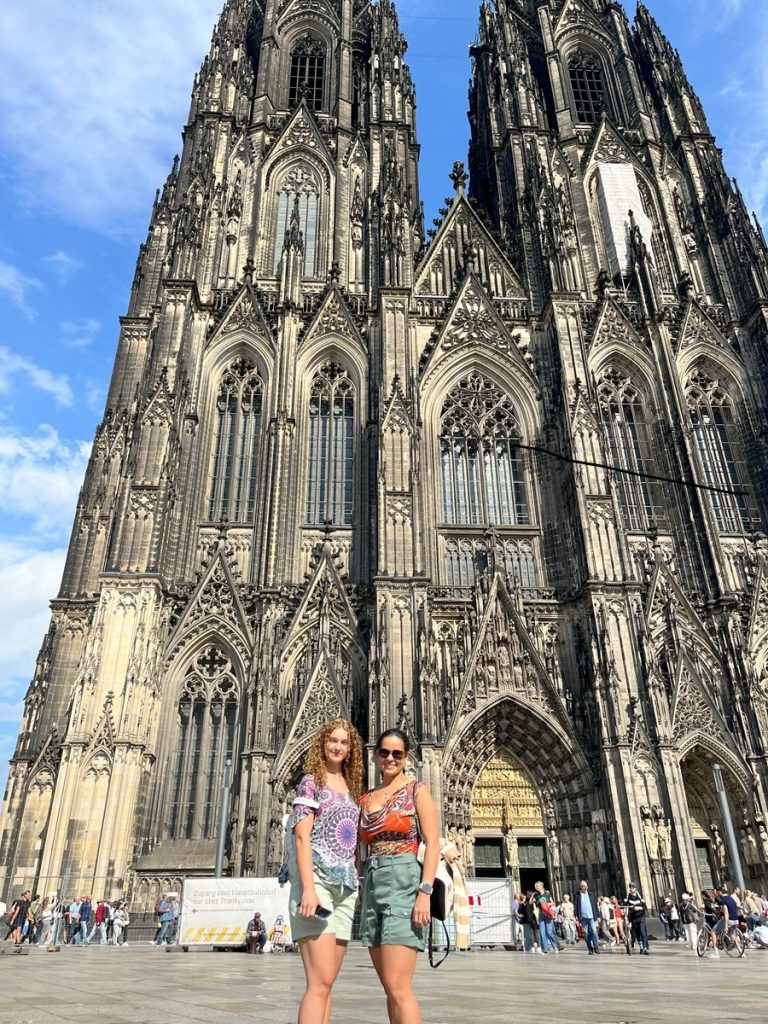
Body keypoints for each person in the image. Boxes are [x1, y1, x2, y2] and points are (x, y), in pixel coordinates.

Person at [359, 728, 439, 1024]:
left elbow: (433, 843)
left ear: (406, 757)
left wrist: (425, 892)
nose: (390, 758)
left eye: (397, 753)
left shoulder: (417, 790)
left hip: (404, 882)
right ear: (376, 755)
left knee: (398, 987)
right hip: (373, 884)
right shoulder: (366, 798)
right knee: (389, 988)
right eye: (384, 752)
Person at [289, 718, 364, 1024]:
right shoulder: (311, 781)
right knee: (318, 983)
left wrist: (356, 878)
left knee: (327, 982)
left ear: (351, 749)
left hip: (345, 889)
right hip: (318, 885)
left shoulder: (352, 786)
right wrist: (308, 889)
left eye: (344, 742)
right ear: (322, 743)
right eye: (332, 740)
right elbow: (301, 835)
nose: (338, 746)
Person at [573, 880, 600, 955]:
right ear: (581, 887)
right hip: (583, 917)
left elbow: (595, 905)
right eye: (583, 886)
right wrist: (576, 916)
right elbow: (576, 906)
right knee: (586, 933)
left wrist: (598, 915)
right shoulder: (578, 895)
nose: (585, 888)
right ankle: (590, 948)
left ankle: (596, 947)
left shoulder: (591, 894)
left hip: (591, 916)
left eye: (586, 886)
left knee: (594, 931)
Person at [532, 881, 559, 955]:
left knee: (549, 932)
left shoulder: (547, 893)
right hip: (541, 915)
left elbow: (553, 903)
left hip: (547, 914)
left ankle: (555, 946)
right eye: (536, 886)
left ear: (541, 886)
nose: (536, 888)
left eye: (538, 886)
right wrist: (532, 896)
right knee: (542, 933)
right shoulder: (537, 896)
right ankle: (544, 950)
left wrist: (546, 904)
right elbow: (531, 902)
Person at [625, 882, 649, 955]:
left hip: (641, 916)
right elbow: (624, 905)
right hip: (633, 917)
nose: (631, 889)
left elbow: (645, 907)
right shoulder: (628, 897)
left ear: (636, 888)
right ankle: (641, 947)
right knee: (637, 933)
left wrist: (639, 908)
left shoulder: (640, 897)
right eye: (630, 887)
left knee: (642, 932)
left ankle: (645, 948)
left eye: (633, 887)